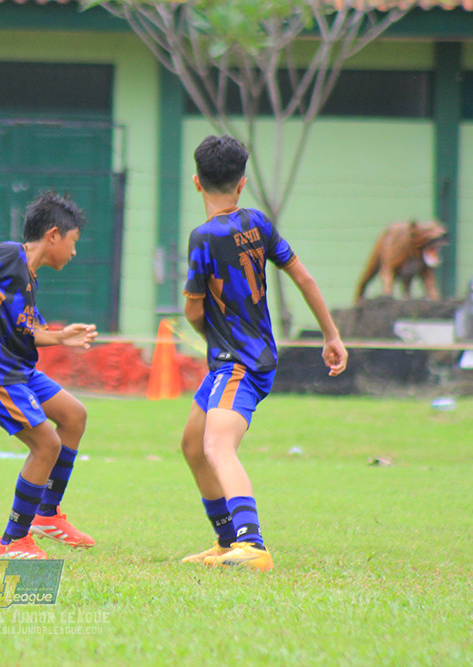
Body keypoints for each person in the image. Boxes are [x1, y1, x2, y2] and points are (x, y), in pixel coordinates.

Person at [180, 135, 348, 571]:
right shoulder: (259, 223)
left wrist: (207, 333)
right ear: (242, 184)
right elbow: (304, 278)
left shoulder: (203, 237)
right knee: (193, 446)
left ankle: (251, 545)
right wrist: (332, 336)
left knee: (216, 446)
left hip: (240, 363)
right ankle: (225, 542)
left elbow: (192, 308)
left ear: (197, 183)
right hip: (241, 358)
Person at [0, 191, 98, 560]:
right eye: (73, 242)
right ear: (53, 236)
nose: (74, 253)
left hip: (18, 369)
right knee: (47, 444)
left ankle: (46, 515)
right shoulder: (8, 254)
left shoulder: (29, 276)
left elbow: (30, 330)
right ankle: (12, 540)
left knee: (74, 416)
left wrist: (60, 336)